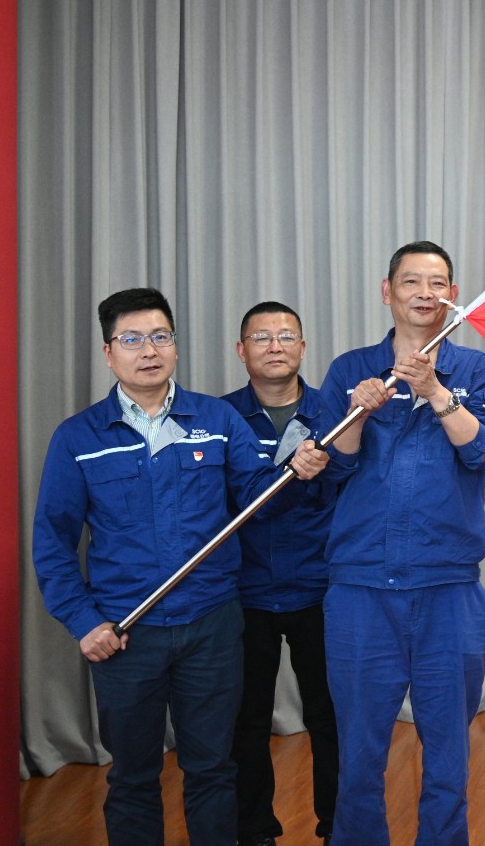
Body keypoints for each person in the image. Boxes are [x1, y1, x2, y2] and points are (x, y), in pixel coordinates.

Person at [31, 287, 327, 846]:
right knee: (133, 777)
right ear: (108, 353)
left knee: (214, 769)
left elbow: (259, 498)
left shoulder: (216, 419)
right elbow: (52, 542)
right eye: (132, 339)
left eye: (160, 337)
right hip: (126, 633)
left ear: (174, 345)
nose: (149, 351)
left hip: (212, 626)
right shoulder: (78, 438)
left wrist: (296, 471)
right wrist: (83, 622)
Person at [320, 241, 485, 846]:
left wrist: (435, 392)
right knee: (358, 754)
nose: (425, 293)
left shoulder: (476, 371)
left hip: (448, 587)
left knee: (448, 754)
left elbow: (484, 451)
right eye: (411, 282)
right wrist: (355, 416)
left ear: (453, 295)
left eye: (437, 283)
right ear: (387, 291)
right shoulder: (351, 369)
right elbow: (333, 469)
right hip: (361, 588)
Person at [224, 302, 342, 846]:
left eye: (286, 336)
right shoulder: (219, 419)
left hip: (323, 590)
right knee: (246, 723)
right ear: (241, 350)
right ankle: (256, 832)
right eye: (261, 337)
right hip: (243, 594)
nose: (275, 346)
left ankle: (337, 827)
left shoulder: (337, 415)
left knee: (330, 717)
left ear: (303, 347)